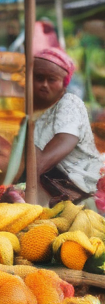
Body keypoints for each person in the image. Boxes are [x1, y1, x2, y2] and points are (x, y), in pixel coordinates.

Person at [27, 47, 100, 201]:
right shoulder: (37, 111)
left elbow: (59, 146)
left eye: (51, 80)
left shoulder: (70, 103)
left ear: (64, 83)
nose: (44, 84)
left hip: (77, 198)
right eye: (39, 78)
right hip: (50, 196)